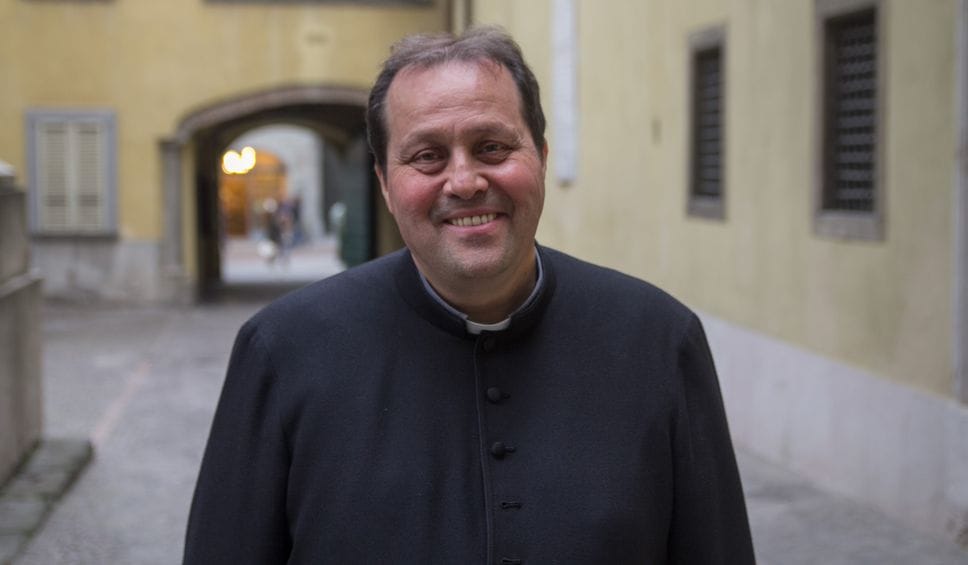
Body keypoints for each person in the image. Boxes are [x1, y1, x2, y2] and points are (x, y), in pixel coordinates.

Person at [184, 26, 755, 564]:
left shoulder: (659, 340)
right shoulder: (282, 351)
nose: (464, 182)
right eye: (427, 156)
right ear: (384, 182)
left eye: (492, 148)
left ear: (542, 158)